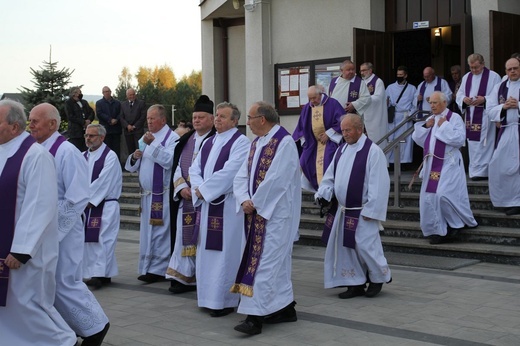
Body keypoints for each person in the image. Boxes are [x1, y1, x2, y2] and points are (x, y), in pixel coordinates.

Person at [28, 103, 110, 346]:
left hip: (63, 228)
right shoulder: (36, 150)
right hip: (43, 230)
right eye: (30, 120)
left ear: (53, 124)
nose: (30, 125)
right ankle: (69, 331)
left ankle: (97, 328)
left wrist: (53, 229)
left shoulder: (66, 151)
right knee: (50, 284)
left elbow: (77, 195)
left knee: (65, 281)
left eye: (35, 120)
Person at [0, 99, 78, 346]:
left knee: (28, 307)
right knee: (9, 310)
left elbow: (40, 205)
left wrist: (21, 250)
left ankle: (64, 342)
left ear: (14, 127)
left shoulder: (36, 156)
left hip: (25, 252)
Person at [232, 101, 301, 335]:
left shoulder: (285, 142)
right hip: (255, 213)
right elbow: (241, 175)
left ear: (262, 119)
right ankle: (285, 308)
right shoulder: (256, 143)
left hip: (276, 215)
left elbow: (278, 179)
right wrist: (243, 199)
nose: (247, 122)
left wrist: (256, 202)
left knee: (264, 264)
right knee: (276, 265)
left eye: (250, 118)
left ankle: (254, 317)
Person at [315, 113, 392, 300]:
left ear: (359, 129)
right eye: (343, 130)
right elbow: (330, 177)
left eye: (348, 130)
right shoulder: (341, 150)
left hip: (362, 210)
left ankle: (378, 278)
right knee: (346, 248)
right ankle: (355, 283)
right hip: (342, 210)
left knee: (367, 247)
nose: (345, 134)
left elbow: (380, 183)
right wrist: (324, 193)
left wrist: (372, 210)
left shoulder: (373, 151)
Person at [189, 102, 250, 317]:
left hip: (227, 206)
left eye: (223, 117)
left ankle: (224, 300)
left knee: (226, 254)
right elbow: (193, 168)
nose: (217, 119)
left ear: (234, 121)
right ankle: (207, 297)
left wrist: (203, 190)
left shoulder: (241, 142)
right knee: (207, 254)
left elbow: (231, 172)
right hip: (207, 205)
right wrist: (198, 189)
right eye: (217, 115)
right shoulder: (209, 142)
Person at [412, 92, 478, 244]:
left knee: (443, 195)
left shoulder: (453, 118)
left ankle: (456, 224)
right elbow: (418, 139)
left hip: (449, 162)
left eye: (435, 103)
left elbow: (460, 140)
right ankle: (437, 229)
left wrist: (445, 126)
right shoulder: (431, 119)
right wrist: (424, 126)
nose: (432, 106)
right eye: (431, 103)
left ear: (444, 103)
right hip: (432, 164)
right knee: (430, 197)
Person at [166, 95, 216, 294]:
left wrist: (196, 190)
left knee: (202, 240)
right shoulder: (186, 140)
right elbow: (177, 167)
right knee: (182, 239)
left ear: (211, 119)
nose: (196, 120)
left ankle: (200, 277)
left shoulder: (215, 140)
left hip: (205, 200)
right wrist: (181, 188)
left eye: (201, 117)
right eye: (194, 117)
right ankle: (181, 277)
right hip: (186, 199)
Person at [125, 105, 179, 282]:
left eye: (152, 118)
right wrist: (135, 157)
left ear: (163, 120)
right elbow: (133, 166)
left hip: (161, 194)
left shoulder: (173, 138)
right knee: (148, 232)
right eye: (147, 118)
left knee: (160, 232)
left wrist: (152, 144)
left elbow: (169, 161)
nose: (148, 121)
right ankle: (147, 267)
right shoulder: (146, 137)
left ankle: (159, 269)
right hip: (147, 195)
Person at [83, 124, 122, 288]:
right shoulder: (82, 155)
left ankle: (99, 274)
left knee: (103, 239)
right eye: (86, 135)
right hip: (88, 205)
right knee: (90, 241)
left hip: (105, 204)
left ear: (102, 137)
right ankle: (102, 273)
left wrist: (87, 199)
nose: (88, 139)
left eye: (92, 136)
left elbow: (103, 181)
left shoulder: (110, 156)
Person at [456, 53, 501, 180]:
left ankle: (485, 171)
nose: (473, 70)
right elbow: (460, 94)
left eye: (476, 67)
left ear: (483, 64)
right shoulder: (466, 77)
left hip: (485, 115)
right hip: (471, 114)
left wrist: (485, 99)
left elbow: (497, 94)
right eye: (471, 67)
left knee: (485, 143)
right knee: (473, 144)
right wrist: (464, 99)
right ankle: (474, 171)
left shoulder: (493, 76)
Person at [292, 85, 345, 192]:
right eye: (310, 99)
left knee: (328, 159)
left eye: (314, 98)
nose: (312, 101)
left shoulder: (333, 104)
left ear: (320, 95)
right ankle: (315, 187)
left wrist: (329, 134)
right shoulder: (308, 107)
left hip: (330, 141)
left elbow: (342, 121)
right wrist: (305, 138)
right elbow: (301, 126)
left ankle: (328, 189)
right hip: (313, 142)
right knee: (304, 161)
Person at [487, 58, 520, 215]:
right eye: (509, 69)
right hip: (506, 131)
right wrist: (504, 107)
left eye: (515, 68)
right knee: (498, 165)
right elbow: (490, 109)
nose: (512, 71)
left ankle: (517, 202)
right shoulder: (499, 87)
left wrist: (518, 105)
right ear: (505, 71)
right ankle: (506, 200)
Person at [386, 65, 417, 163]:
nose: (399, 76)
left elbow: (414, 104)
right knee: (391, 138)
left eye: (401, 75)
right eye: (397, 74)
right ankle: (391, 161)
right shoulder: (390, 87)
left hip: (405, 116)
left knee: (405, 139)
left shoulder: (412, 88)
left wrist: (410, 114)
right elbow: (385, 102)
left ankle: (404, 161)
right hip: (393, 116)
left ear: (405, 76)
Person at [360, 62, 388, 147]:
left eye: (364, 70)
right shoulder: (362, 82)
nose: (361, 73)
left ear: (370, 70)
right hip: (363, 116)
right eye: (361, 71)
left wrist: (364, 99)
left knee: (376, 141)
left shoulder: (378, 81)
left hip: (375, 116)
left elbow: (378, 97)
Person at [64, 86, 95, 152]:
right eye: (79, 92)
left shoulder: (84, 102)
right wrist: (83, 122)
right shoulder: (68, 103)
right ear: (74, 93)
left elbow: (91, 112)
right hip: (75, 133)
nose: (81, 94)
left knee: (86, 150)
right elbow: (70, 116)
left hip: (85, 132)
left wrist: (89, 120)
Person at [120, 88, 147, 158]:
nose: (132, 96)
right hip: (127, 132)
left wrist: (134, 126)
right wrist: (127, 126)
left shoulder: (141, 103)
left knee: (139, 150)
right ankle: (132, 166)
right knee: (130, 151)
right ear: (127, 96)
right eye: (130, 95)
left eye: (133, 94)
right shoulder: (123, 105)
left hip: (138, 131)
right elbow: (121, 117)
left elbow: (143, 117)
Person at [96, 86, 122, 159]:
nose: (107, 93)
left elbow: (121, 113)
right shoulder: (99, 103)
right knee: (107, 149)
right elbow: (99, 114)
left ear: (111, 92)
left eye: (108, 91)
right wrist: (110, 119)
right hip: (105, 130)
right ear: (103, 93)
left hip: (116, 130)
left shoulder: (117, 103)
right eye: (105, 92)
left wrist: (116, 120)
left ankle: (117, 165)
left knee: (117, 149)